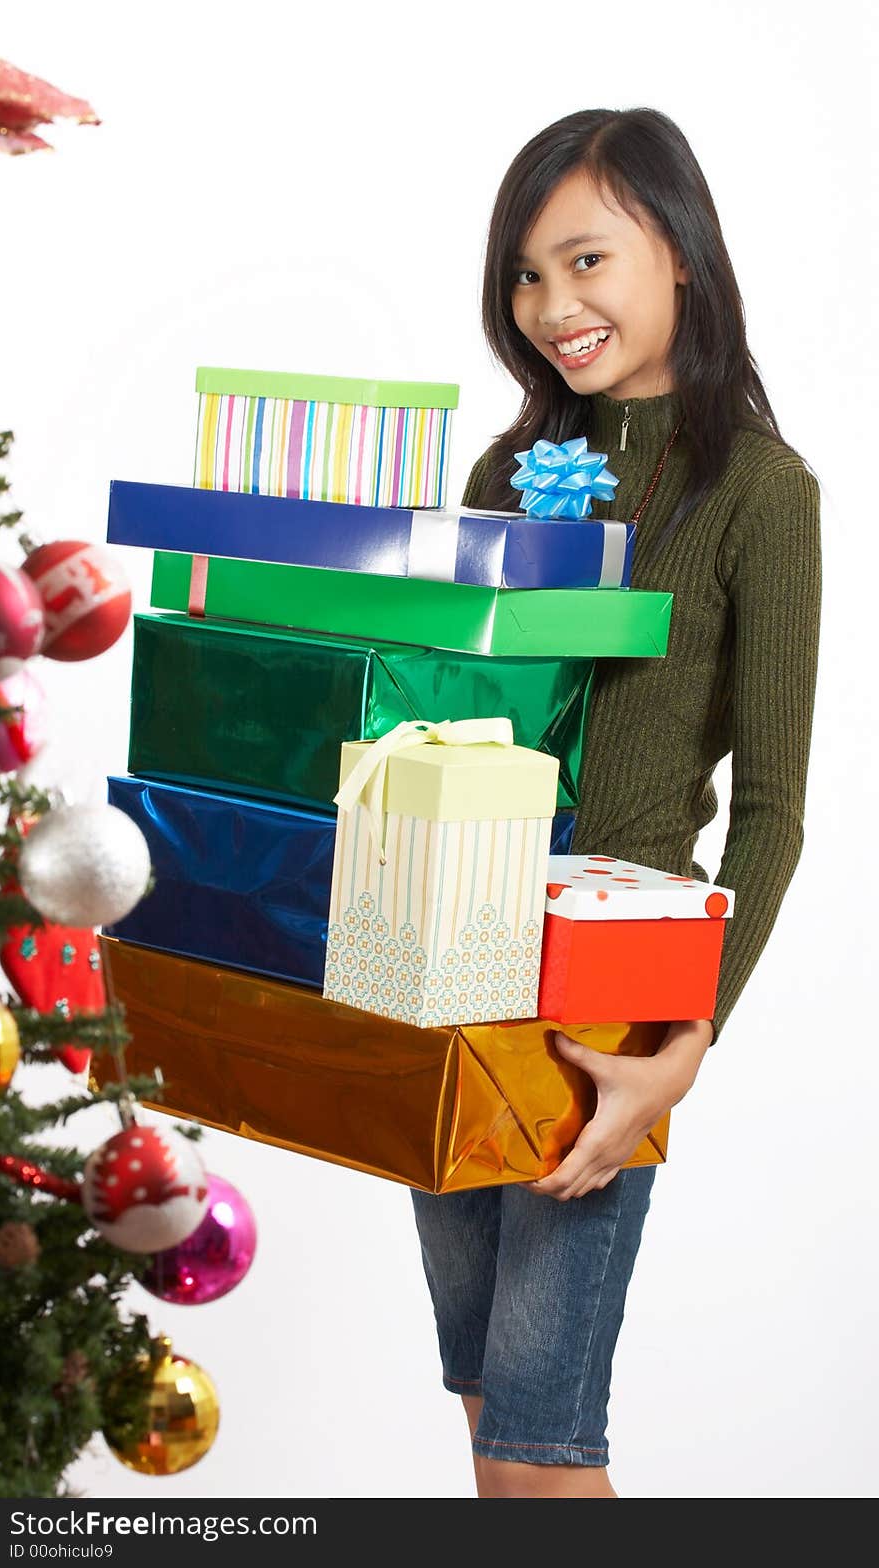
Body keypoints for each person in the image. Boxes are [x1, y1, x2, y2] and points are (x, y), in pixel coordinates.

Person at [409, 107, 822, 1500]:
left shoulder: (761, 493)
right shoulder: (500, 482)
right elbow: (440, 738)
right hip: (460, 967)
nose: (552, 307)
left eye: (586, 260)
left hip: (610, 1003)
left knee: (543, 1443)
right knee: (488, 1415)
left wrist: (683, 1045)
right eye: (526, 277)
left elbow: (771, 810)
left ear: (683, 254)